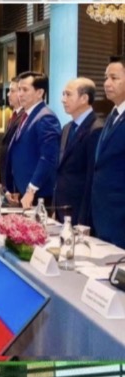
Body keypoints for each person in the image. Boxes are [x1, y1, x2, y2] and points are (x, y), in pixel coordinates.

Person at [4, 71, 60, 209]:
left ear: (40, 92)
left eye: (25, 90)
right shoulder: (26, 115)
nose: (20, 94)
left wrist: (31, 189)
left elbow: (48, 158)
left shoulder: (46, 117)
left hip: (38, 194)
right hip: (22, 191)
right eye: (19, 89)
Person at [52, 77, 103, 225]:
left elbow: (91, 178)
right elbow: (61, 170)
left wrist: (83, 218)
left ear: (84, 98)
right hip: (62, 208)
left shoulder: (96, 129)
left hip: (80, 211)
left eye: (68, 94)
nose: (63, 99)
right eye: (63, 94)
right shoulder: (67, 128)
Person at [86, 56, 125, 246]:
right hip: (103, 214)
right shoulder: (113, 114)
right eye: (106, 78)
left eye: (114, 78)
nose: (107, 83)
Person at [0, 79, 26, 195]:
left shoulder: (24, 117)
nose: (8, 94)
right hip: (6, 180)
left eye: (12, 91)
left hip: (16, 184)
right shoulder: (13, 116)